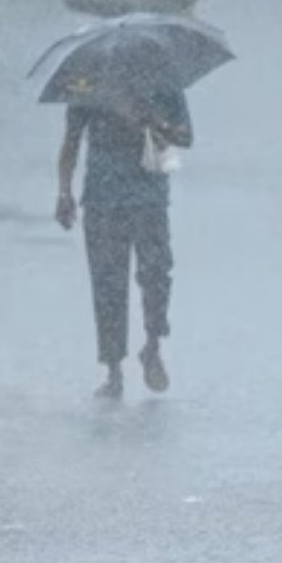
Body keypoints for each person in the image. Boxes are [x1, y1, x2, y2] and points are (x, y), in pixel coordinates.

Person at [54, 89, 191, 399]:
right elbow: (72, 140)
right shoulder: (89, 86)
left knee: (156, 275)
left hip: (148, 199)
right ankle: (114, 368)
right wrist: (64, 191)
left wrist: (157, 123)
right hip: (103, 200)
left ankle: (152, 346)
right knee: (107, 284)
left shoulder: (162, 82)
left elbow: (186, 137)